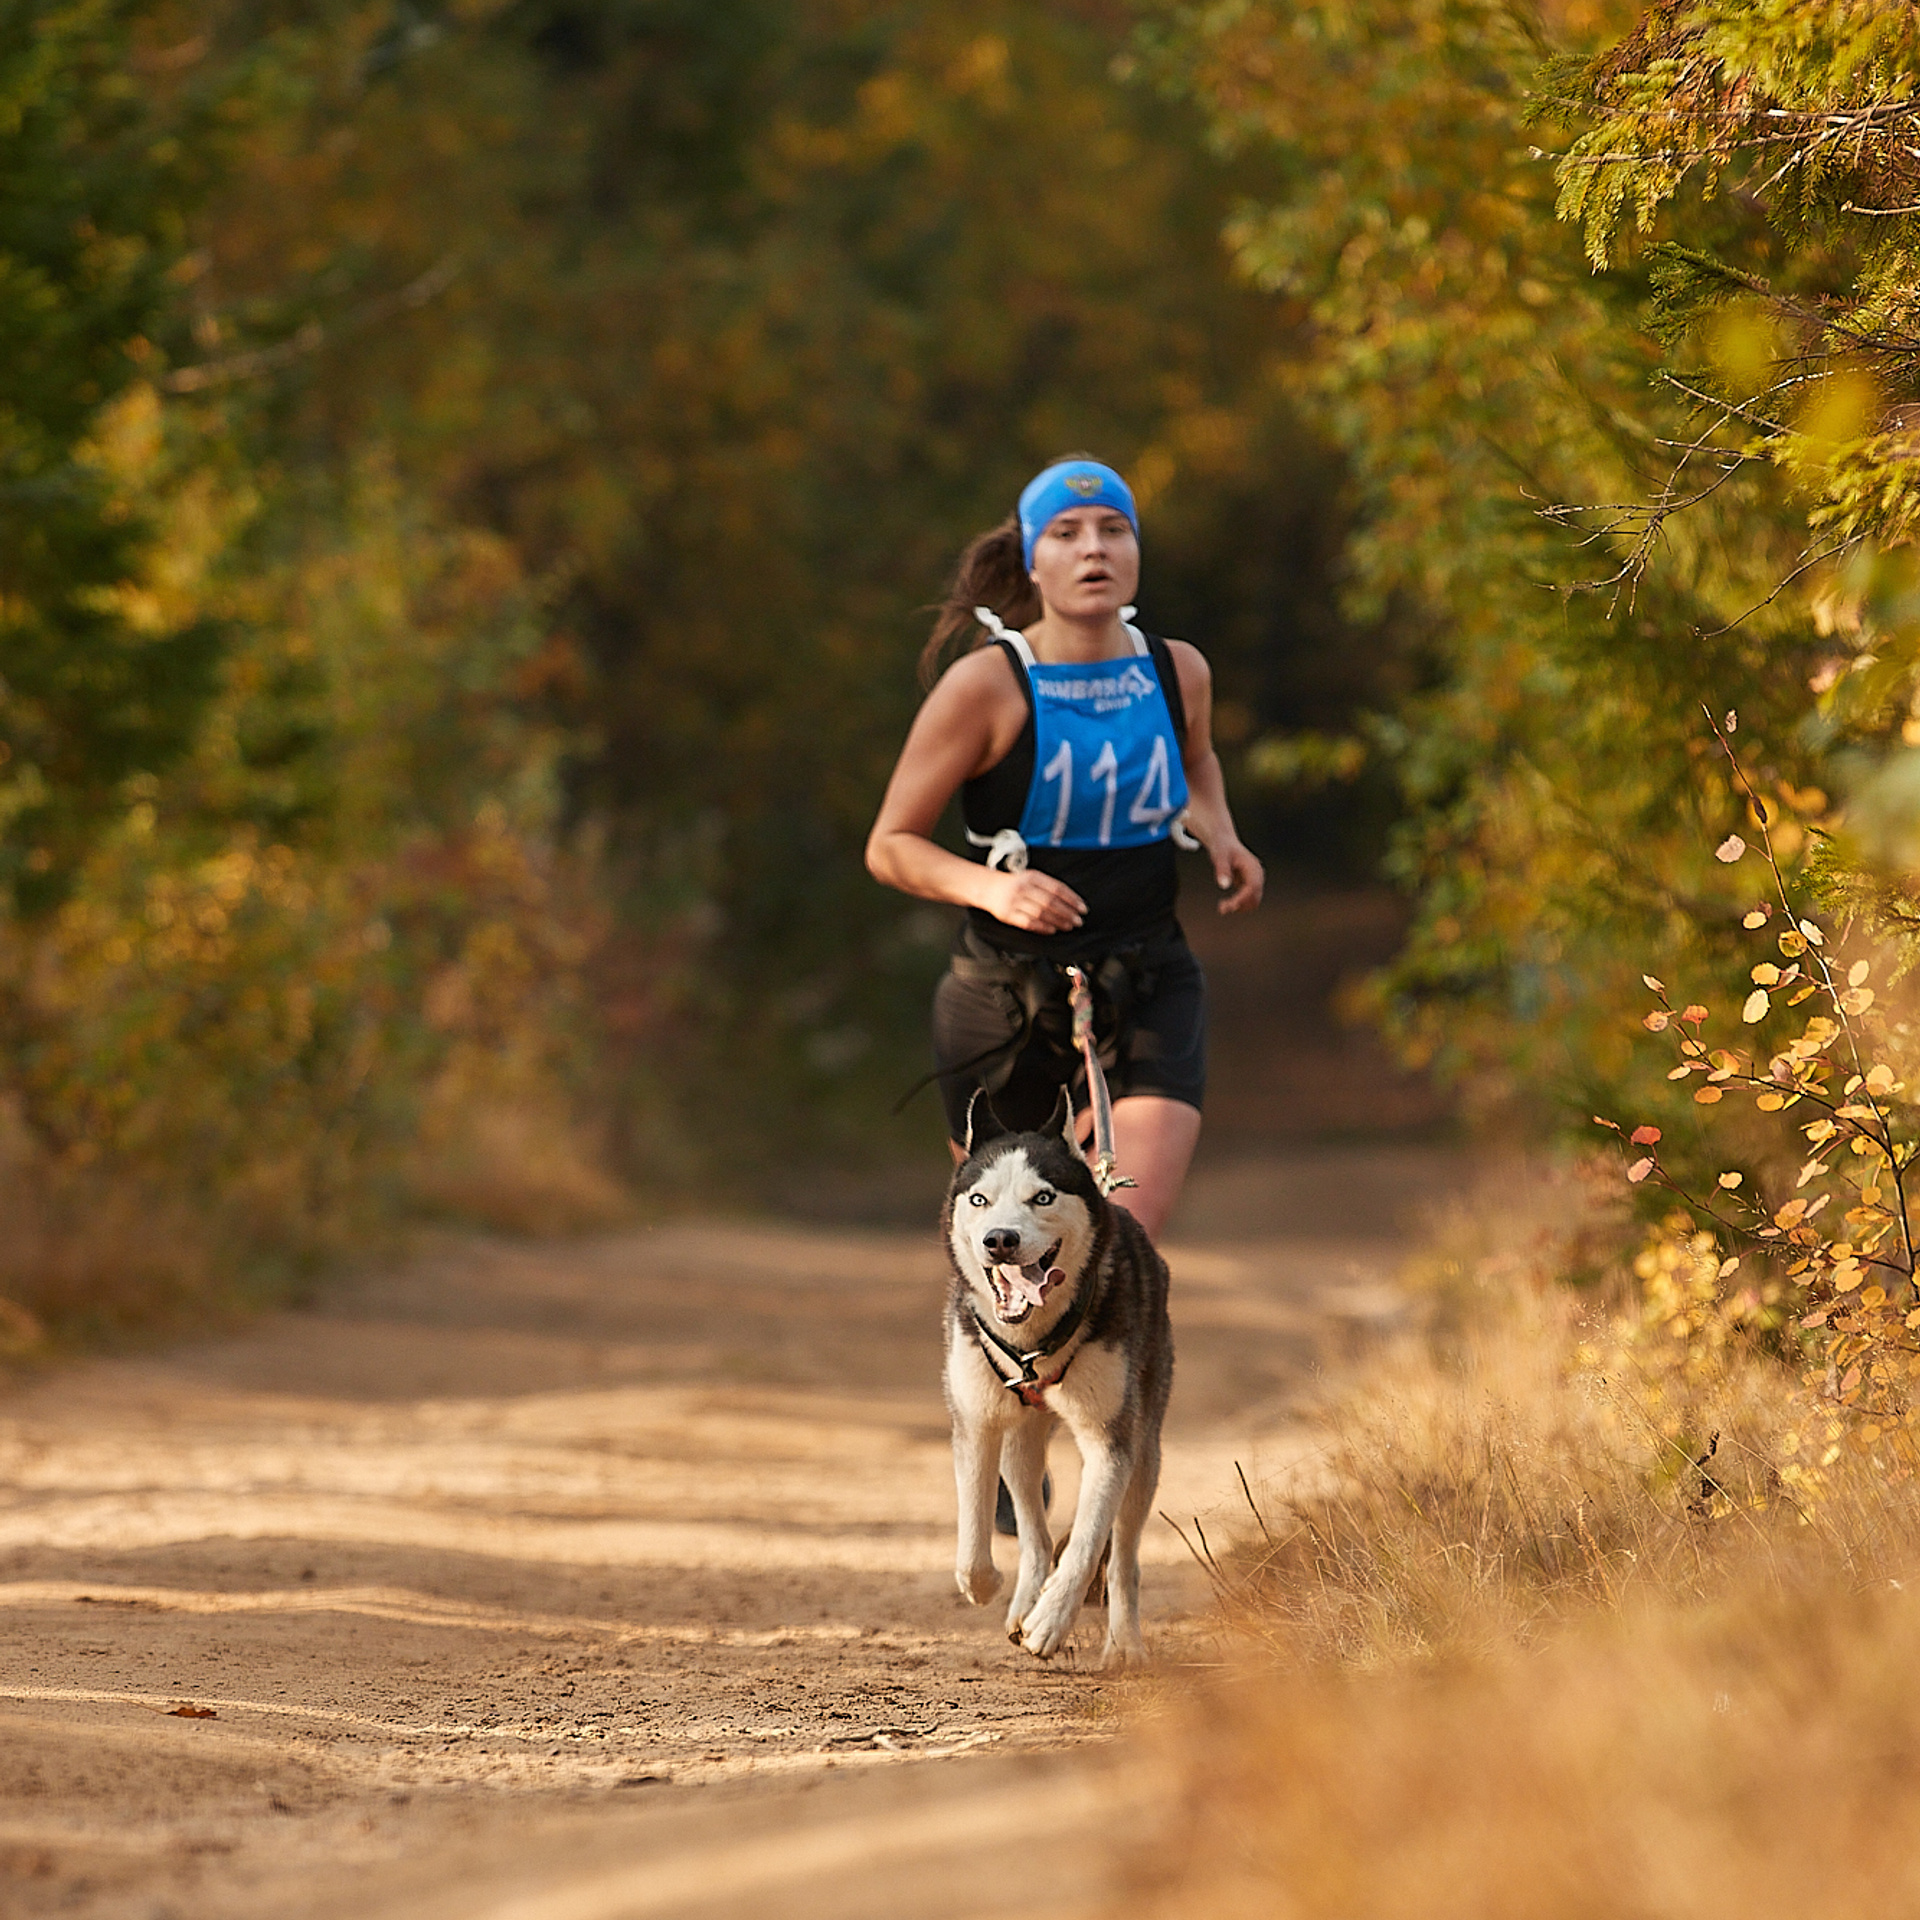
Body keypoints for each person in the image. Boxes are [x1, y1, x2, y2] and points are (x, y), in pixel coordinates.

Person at [866, 456, 1263, 1243]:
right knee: (1014, 1247)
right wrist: (993, 889)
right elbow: (890, 845)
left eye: (1115, 531)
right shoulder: (987, 687)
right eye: (1068, 534)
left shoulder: (1176, 669)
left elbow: (1195, 763)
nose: (1094, 550)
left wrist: (1218, 825)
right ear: (1031, 562)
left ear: (1136, 551)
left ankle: (1086, 1370)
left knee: (1120, 1233)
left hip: (1150, 976)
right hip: (1007, 998)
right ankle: (1015, 1368)